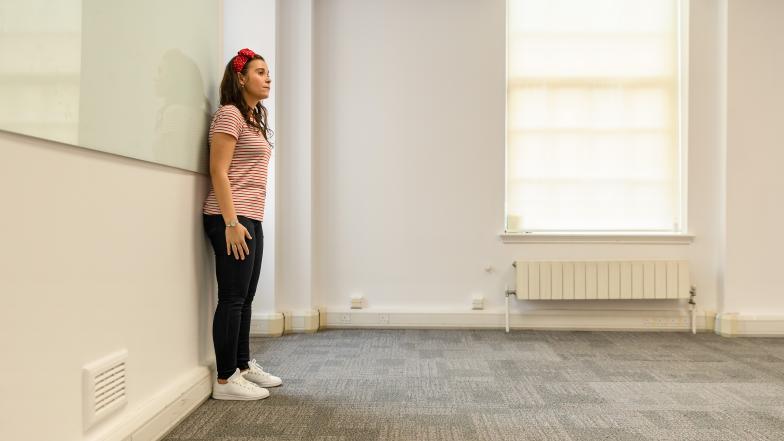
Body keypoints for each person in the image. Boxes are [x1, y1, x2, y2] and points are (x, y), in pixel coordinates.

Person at [202, 48, 282, 400]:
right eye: (260, 72)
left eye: (268, 72)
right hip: (228, 217)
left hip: (251, 216)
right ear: (240, 77)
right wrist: (231, 221)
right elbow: (218, 170)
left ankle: (243, 366)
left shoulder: (252, 117)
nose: (267, 78)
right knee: (232, 297)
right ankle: (224, 380)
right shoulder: (229, 115)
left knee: (246, 297)